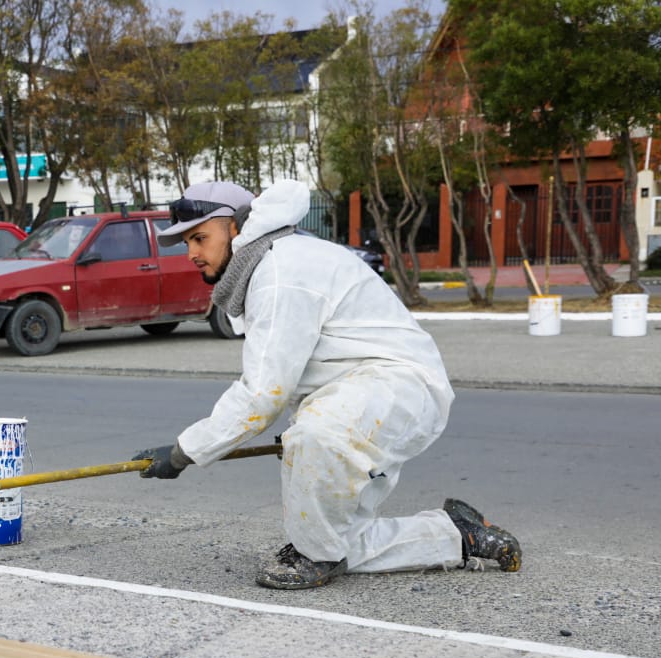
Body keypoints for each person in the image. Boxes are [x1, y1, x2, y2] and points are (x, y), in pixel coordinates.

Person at [133, 179, 521, 589]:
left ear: (236, 227)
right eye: (187, 243)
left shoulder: (280, 272)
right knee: (339, 541)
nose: (192, 253)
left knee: (313, 441)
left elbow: (264, 394)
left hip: (394, 388)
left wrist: (183, 453)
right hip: (364, 393)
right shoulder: (272, 263)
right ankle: (458, 535)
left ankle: (312, 558)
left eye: (199, 238)